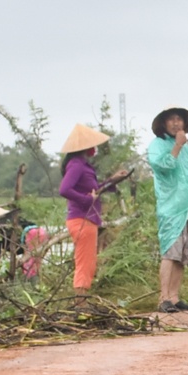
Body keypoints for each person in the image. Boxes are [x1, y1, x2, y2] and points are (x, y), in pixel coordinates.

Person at [146, 107, 188, 313]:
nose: (175, 123)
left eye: (179, 119)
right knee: (170, 252)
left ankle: (174, 296)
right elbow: (163, 167)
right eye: (171, 120)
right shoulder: (158, 145)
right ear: (163, 124)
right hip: (170, 208)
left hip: (187, 207)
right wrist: (177, 147)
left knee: (182, 255)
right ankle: (163, 297)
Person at [57, 123, 125, 292]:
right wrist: (86, 200)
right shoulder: (76, 164)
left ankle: (81, 301)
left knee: (88, 262)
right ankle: (80, 303)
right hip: (82, 219)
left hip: (87, 219)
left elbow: (95, 190)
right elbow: (64, 189)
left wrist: (112, 180)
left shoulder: (82, 164)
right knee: (85, 263)